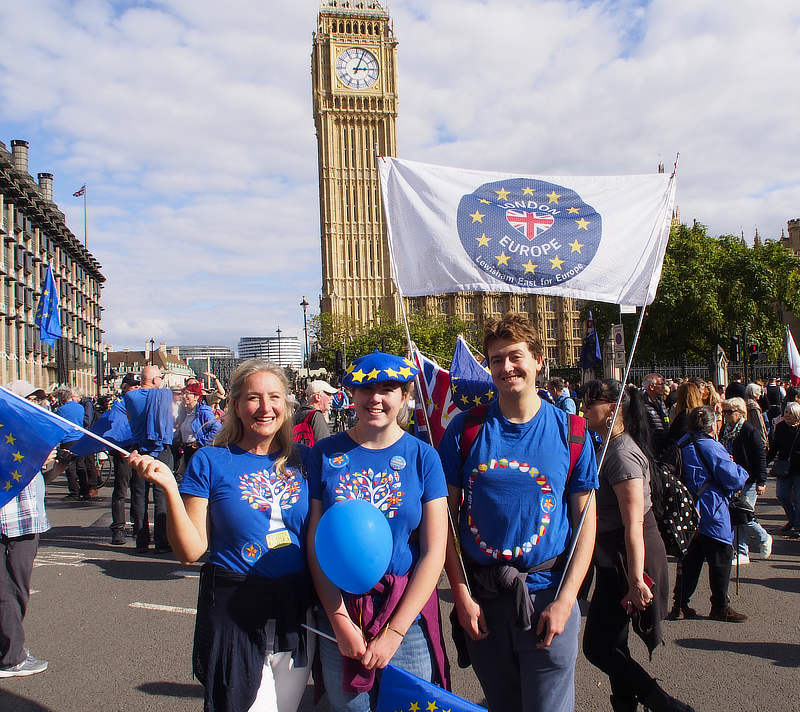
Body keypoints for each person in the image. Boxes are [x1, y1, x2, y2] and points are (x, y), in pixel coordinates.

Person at [128, 359, 314, 712]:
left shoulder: (304, 461)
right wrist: (169, 485)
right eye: (253, 398)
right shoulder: (210, 461)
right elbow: (190, 551)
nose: (265, 407)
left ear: (287, 403)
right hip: (235, 609)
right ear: (235, 406)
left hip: (296, 609)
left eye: (274, 397)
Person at [439, 313, 598, 712]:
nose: (506, 367)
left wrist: (566, 600)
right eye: (496, 360)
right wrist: (460, 594)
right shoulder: (464, 431)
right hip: (485, 599)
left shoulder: (572, 431)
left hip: (547, 594)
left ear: (538, 360)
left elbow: (585, 525)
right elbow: (445, 520)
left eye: (515, 356)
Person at [307, 351, 449, 711]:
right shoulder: (323, 455)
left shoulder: (424, 457)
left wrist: (395, 633)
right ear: (351, 395)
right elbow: (315, 546)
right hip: (341, 611)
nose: (376, 398)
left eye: (388, 388)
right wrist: (339, 621)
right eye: (365, 388)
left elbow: (435, 550)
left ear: (405, 396)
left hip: (406, 616)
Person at [581, 379, 692, 712]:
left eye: (590, 400)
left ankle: (663, 703)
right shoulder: (606, 445)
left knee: (597, 647)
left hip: (629, 559)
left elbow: (634, 525)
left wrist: (635, 580)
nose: (583, 406)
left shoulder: (622, 454)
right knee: (615, 642)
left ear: (613, 408)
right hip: (615, 557)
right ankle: (627, 705)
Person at [0, 380, 56, 678]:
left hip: (23, 520)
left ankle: (9, 650)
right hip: (16, 521)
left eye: (39, 399)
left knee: (10, 589)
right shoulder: (16, 434)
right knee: (13, 590)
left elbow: (46, 473)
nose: (38, 404)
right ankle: (12, 657)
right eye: (30, 400)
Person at [673, 406, 748, 622]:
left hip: (688, 507)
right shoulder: (710, 446)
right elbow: (732, 477)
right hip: (712, 506)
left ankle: (679, 603)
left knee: (691, 559)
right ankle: (720, 606)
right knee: (720, 558)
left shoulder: (682, 443)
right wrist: (740, 470)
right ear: (711, 424)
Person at [125, 365, 175, 554]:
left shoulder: (130, 397)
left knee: (139, 496)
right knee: (161, 494)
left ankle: (141, 540)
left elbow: (130, 417)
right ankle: (162, 542)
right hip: (161, 448)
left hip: (139, 448)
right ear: (155, 380)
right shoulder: (165, 395)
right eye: (160, 378)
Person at [720, 397, 771, 564]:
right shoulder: (726, 430)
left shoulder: (750, 431)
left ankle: (763, 538)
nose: (726, 415)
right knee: (737, 515)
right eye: (724, 412)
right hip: (733, 478)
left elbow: (760, 457)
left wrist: (762, 481)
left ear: (740, 413)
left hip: (750, 479)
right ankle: (742, 552)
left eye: (729, 412)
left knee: (744, 514)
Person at [174, 381, 222, 477]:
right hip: (186, 450)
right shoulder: (184, 411)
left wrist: (200, 442)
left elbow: (217, 428)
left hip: (198, 450)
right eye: (184, 393)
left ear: (196, 397)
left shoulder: (203, 411)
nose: (184, 396)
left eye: (188, 394)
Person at [767, 402, 800, 539]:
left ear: (797, 415)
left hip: (798, 469)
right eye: (785, 412)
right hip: (783, 468)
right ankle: (793, 520)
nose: (786, 415)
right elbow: (774, 448)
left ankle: (797, 525)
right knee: (782, 495)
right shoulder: (780, 427)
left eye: (790, 413)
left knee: (798, 499)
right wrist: (765, 463)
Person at [293, 380, 337, 446]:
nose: (332, 398)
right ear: (317, 397)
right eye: (328, 394)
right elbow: (325, 446)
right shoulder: (316, 416)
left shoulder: (298, 413)